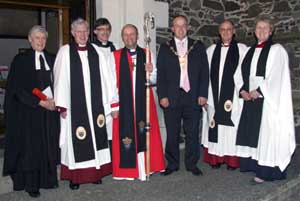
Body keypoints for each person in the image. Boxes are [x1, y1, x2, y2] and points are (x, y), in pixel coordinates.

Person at [53, 18, 118, 189]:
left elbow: (108, 79)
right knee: (76, 141)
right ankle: (76, 177)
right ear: (73, 33)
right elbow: (59, 79)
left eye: (85, 31)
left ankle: (95, 173)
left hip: (95, 106)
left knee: (96, 139)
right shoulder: (65, 52)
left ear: (89, 33)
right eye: (78, 32)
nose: (82, 35)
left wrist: (112, 103)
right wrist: (62, 104)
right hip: (75, 108)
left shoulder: (96, 51)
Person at [234, 16, 296, 184]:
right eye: (258, 28)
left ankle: (268, 170)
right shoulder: (249, 50)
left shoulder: (277, 50)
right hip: (250, 99)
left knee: (266, 134)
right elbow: (239, 73)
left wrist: (260, 91)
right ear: (254, 31)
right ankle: (254, 164)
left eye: (265, 28)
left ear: (271, 31)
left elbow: (277, 76)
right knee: (253, 133)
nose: (261, 31)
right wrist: (242, 90)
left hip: (267, 101)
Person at [3, 25, 60, 198]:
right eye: (37, 38)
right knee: (31, 149)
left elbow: (61, 82)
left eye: (43, 38)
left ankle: (48, 180)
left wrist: (56, 101)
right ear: (30, 39)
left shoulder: (52, 58)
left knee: (48, 146)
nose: (40, 41)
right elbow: (16, 89)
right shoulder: (20, 60)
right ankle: (31, 185)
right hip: (28, 113)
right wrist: (39, 102)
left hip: (49, 112)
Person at [157, 15, 209, 176]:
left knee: (192, 132)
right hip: (172, 96)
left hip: (192, 96)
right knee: (172, 132)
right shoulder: (165, 48)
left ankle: (192, 164)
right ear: (172, 29)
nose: (180, 29)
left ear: (187, 27)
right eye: (177, 26)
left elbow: (204, 72)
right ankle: (172, 164)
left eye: (183, 25)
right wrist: (162, 96)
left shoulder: (197, 46)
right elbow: (161, 75)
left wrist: (202, 94)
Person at [112, 24, 165, 181]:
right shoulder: (115, 56)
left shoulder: (147, 54)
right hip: (125, 102)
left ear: (137, 36)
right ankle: (128, 171)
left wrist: (150, 71)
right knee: (127, 134)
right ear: (122, 37)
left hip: (144, 102)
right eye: (126, 35)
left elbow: (155, 79)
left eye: (132, 34)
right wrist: (114, 104)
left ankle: (147, 167)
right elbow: (111, 82)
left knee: (145, 132)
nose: (129, 37)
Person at [201, 20, 247, 170]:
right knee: (216, 127)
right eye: (223, 29)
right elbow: (204, 75)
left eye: (229, 29)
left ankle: (232, 160)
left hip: (233, 97)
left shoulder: (242, 50)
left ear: (234, 31)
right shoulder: (211, 51)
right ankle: (216, 159)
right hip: (213, 96)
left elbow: (246, 74)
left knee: (231, 129)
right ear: (219, 32)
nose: (226, 32)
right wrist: (205, 97)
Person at [93, 18, 119, 155]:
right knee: (99, 128)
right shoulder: (91, 48)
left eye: (107, 29)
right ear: (95, 31)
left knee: (113, 130)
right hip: (99, 95)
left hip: (113, 94)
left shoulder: (114, 47)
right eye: (101, 29)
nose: (104, 32)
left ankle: (113, 161)